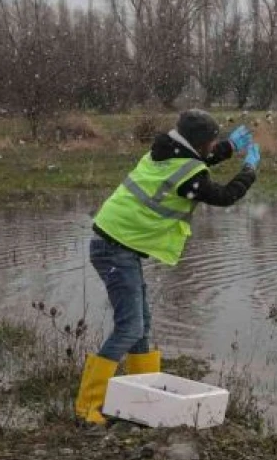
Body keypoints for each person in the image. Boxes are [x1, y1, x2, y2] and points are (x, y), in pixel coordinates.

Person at [75, 109, 260, 424]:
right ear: (200, 143)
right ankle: (87, 406)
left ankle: (142, 399)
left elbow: (195, 169)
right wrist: (249, 170)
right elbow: (223, 194)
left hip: (117, 245)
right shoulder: (186, 171)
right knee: (131, 327)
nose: (213, 146)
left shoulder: (165, 153)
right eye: (212, 142)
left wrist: (228, 147)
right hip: (114, 249)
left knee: (141, 326)